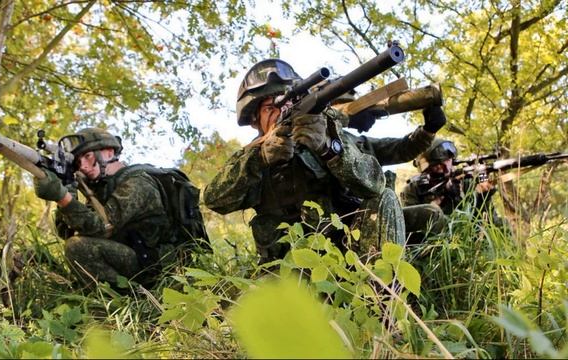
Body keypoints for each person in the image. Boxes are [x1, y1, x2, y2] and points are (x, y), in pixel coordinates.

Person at [203, 59, 406, 263]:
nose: (282, 110)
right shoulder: (251, 155)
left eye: (286, 102)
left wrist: (328, 149)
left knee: (385, 197)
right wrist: (260, 159)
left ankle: (381, 291)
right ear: (256, 120)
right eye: (270, 108)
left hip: (346, 260)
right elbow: (213, 199)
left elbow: (374, 186)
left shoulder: (328, 133)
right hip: (285, 271)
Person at [33, 127, 197, 287]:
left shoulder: (138, 182)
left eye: (87, 156)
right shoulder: (101, 190)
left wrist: (63, 198)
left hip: (160, 266)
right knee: (75, 243)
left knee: (77, 248)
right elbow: (67, 232)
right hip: (140, 260)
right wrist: (67, 190)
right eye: (77, 161)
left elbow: (102, 227)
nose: (82, 165)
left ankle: (125, 301)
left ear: (109, 152)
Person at [401, 139, 504, 243]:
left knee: (504, 226)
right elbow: (408, 232)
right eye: (438, 165)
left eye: (448, 160)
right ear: (428, 169)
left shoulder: (464, 181)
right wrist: (434, 206)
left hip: (469, 243)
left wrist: (484, 197)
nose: (446, 167)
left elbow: (489, 223)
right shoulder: (413, 190)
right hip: (433, 247)